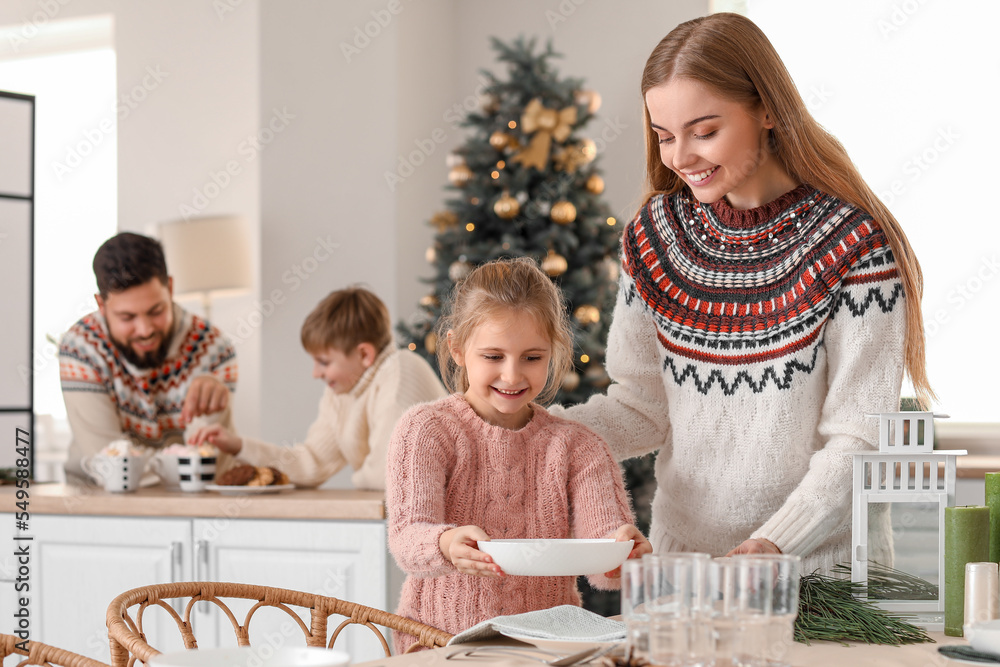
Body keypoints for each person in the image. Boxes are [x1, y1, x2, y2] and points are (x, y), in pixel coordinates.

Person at [555, 13, 934, 575]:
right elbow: (641, 408)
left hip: (818, 579)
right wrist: (530, 433)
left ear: (767, 109)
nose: (680, 157)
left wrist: (776, 545)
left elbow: (861, 438)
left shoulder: (853, 246)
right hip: (684, 578)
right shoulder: (654, 237)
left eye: (704, 131)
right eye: (664, 136)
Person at [386, 257, 651, 653]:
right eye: (493, 357)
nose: (512, 376)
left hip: (545, 647)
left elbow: (605, 556)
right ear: (457, 348)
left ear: (554, 352)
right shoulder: (426, 429)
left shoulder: (579, 447)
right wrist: (444, 543)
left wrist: (623, 553)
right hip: (440, 643)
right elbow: (407, 536)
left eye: (532, 357)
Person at [187, 287, 447, 489]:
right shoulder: (345, 392)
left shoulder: (400, 371)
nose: (316, 373)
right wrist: (237, 446)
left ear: (365, 355)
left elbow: (391, 475)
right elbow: (311, 462)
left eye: (324, 362)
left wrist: (356, 481)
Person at [60, 232, 238, 482]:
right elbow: (109, 462)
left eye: (156, 311)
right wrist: (178, 464)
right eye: (127, 317)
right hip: (95, 498)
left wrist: (174, 466)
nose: (145, 330)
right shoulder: (80, 348)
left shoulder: (212, 348)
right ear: (101, 305)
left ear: (171, 288)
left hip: (187, 501)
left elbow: (202, 462)